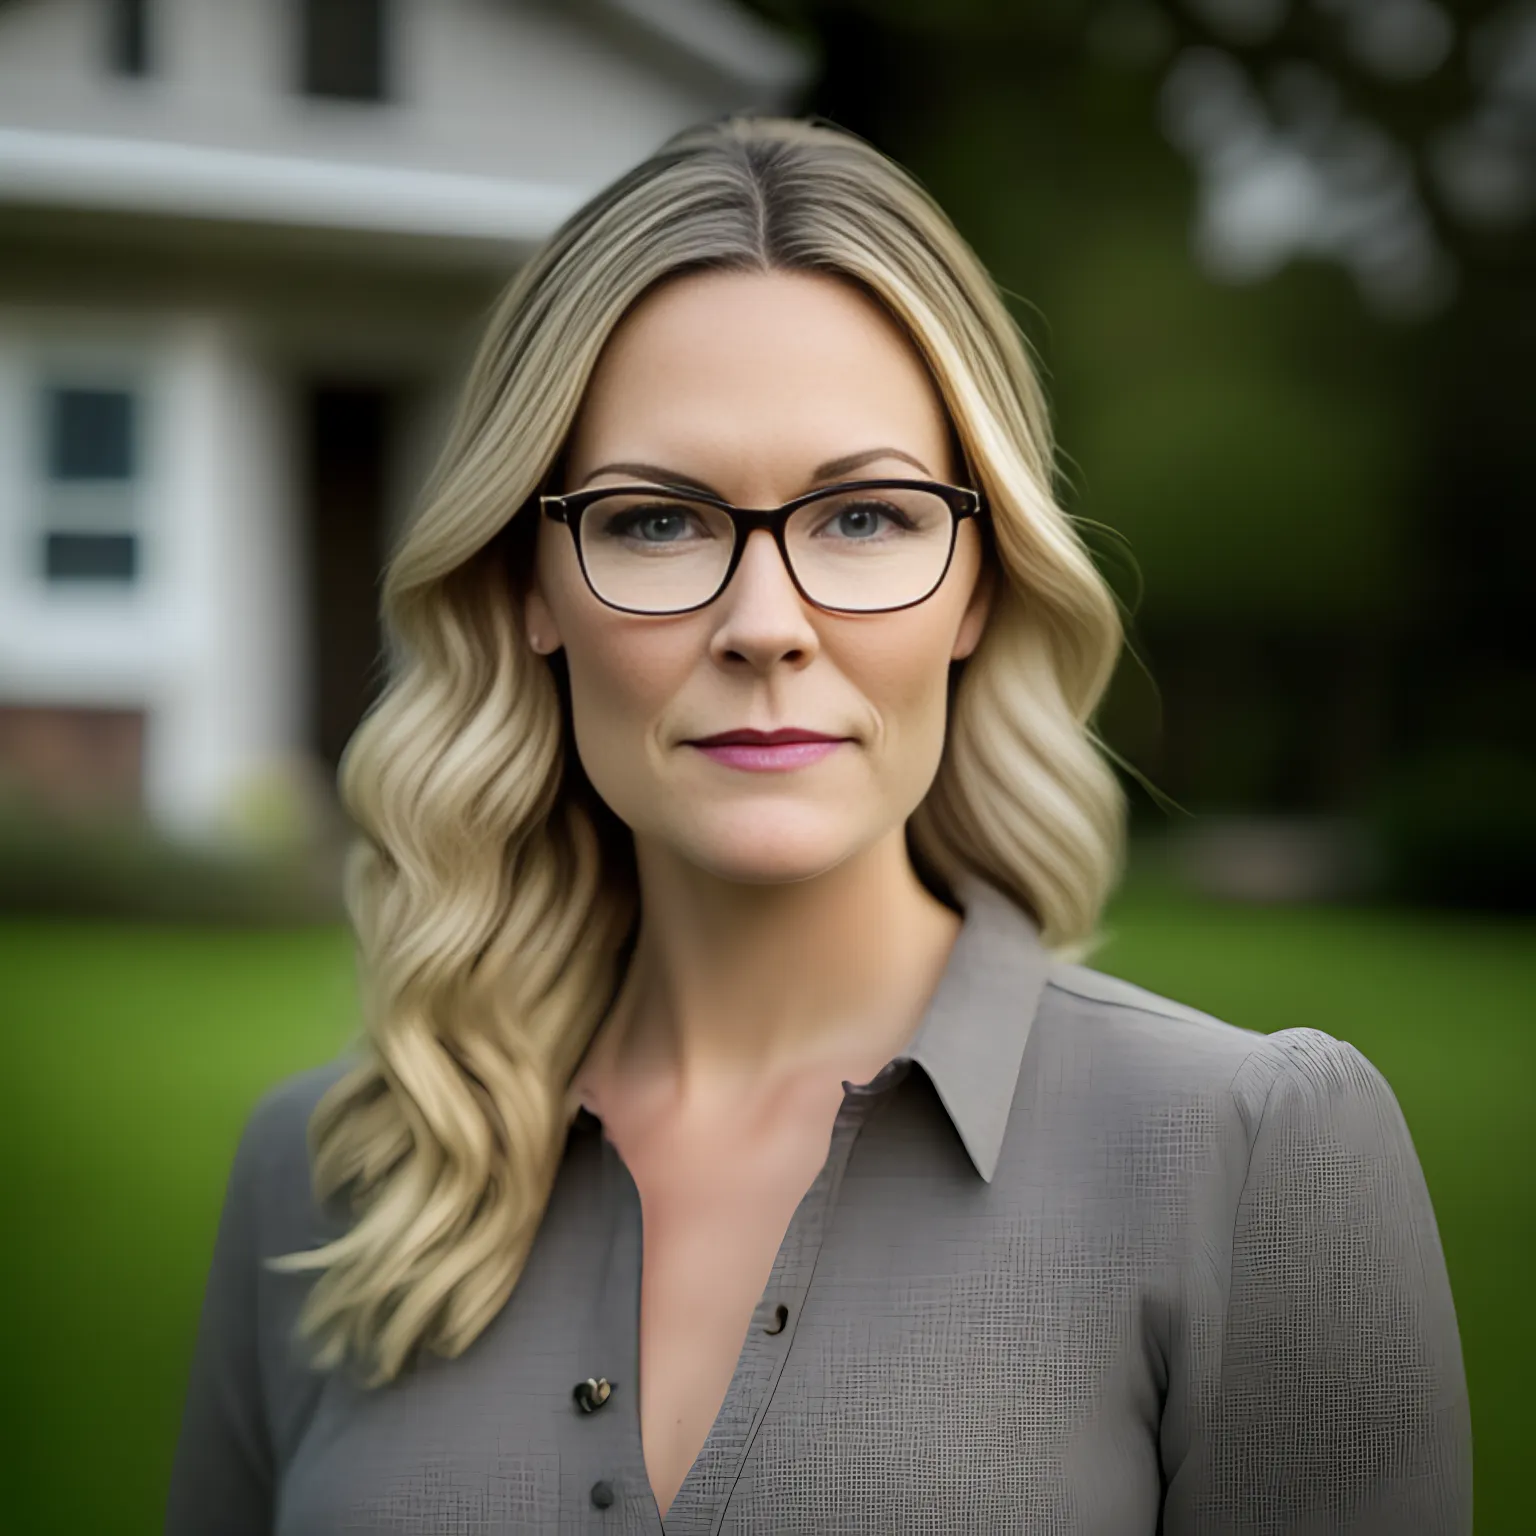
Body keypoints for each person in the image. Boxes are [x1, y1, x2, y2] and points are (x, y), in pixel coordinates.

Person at [165, 116, 1472, 1535]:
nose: (766, 627)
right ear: (527, 586)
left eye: (865, 517)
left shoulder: (1250, 1155)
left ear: (979, 581)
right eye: (657, 521)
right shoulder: (322, 1177)